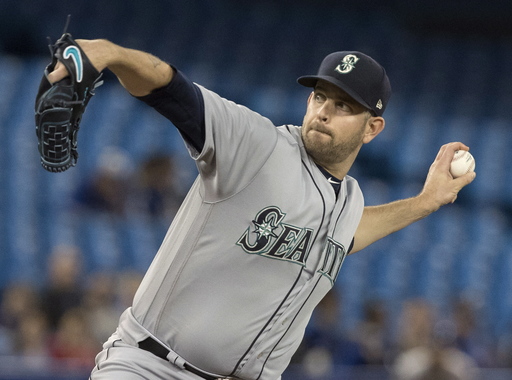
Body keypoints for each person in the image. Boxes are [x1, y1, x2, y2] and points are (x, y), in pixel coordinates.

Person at [47, 38, 475, 380]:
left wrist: (425, 203)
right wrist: (112, 53)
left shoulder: (349, 201)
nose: (324, 111)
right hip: (153, 366)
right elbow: (172, 92)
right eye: (320, 97)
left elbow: (348, 234)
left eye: (344, 106)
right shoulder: (257, 145)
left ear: (373, 128)